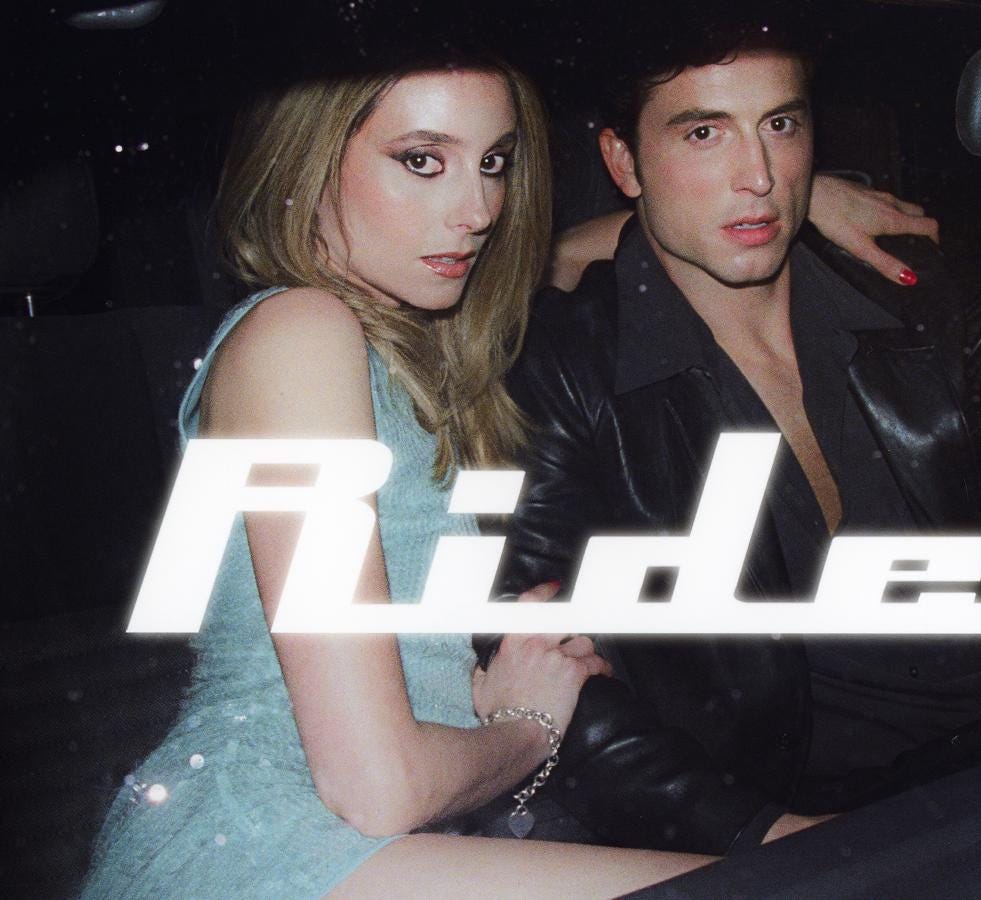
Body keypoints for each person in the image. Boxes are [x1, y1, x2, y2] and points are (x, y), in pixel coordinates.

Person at [496, 22, 981, 855]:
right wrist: (763, 836)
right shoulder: (567, 370)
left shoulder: (892, 284)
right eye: (704, 133)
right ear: (623, 163)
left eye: (780, 125)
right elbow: (544, 660)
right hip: (817, 817)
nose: (759, 177)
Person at [80, 54, 738, 899]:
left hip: (334, 838)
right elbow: (380, 786)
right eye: (422, 160)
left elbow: (567, 255)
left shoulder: (393, 348)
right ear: (308, 162)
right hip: (260, 846)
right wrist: (527, 724)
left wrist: (801, 206)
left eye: (493, 162)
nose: (479, 209)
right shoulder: (300, 333)